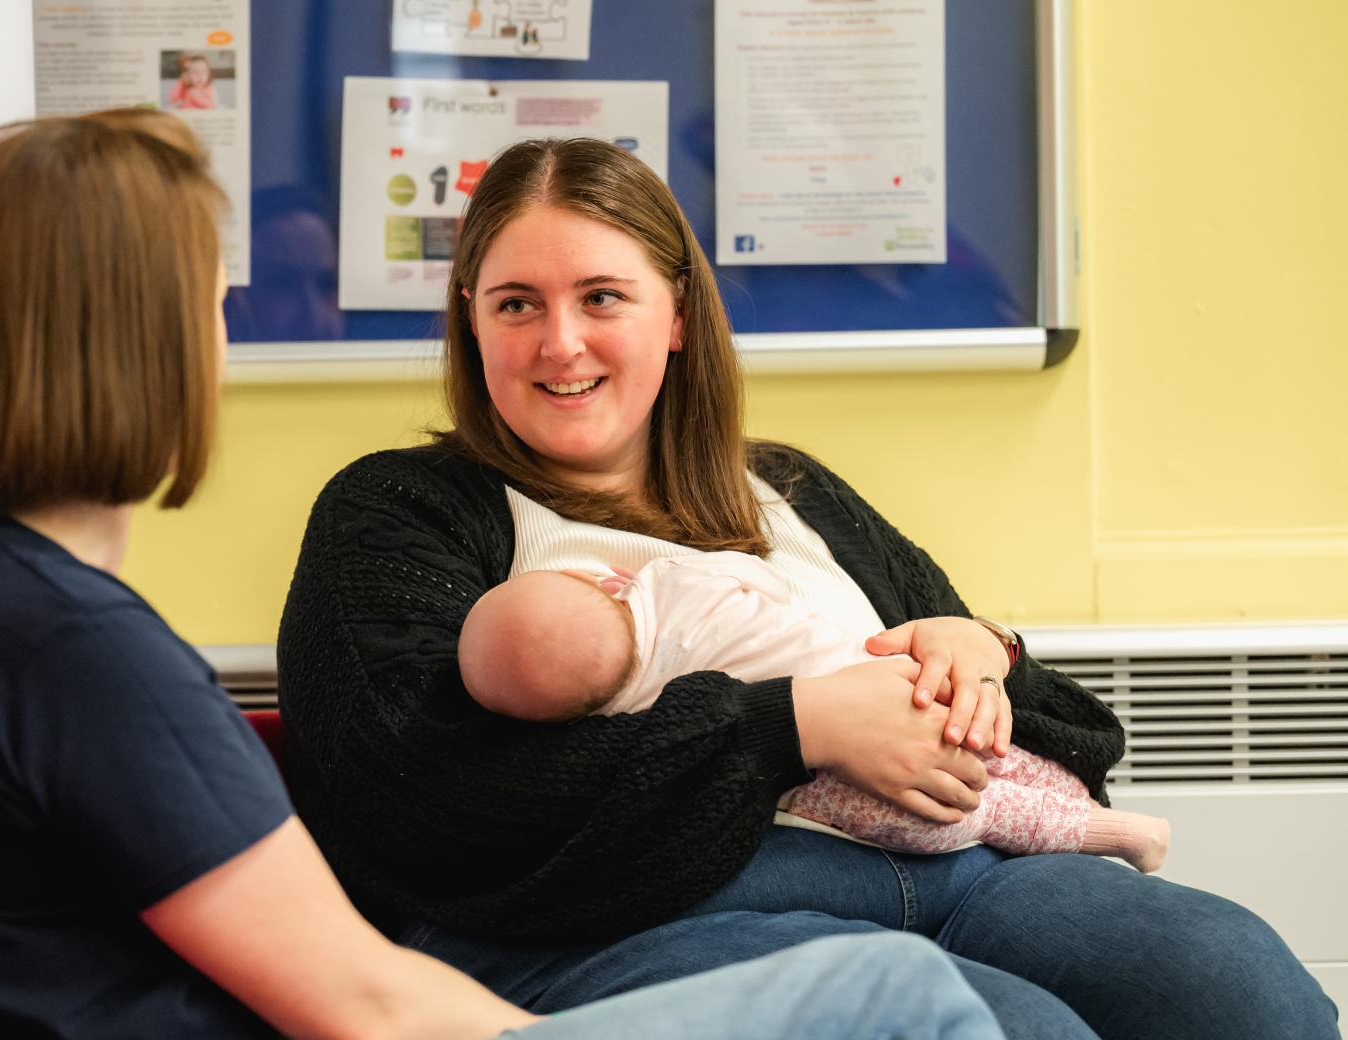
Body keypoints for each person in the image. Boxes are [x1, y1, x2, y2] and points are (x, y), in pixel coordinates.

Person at [0, 109, 1007, 1040]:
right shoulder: (70, 647)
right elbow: (369, 1004)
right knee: (899, 996)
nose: (226, 329)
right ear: (139, 346)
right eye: (208, 300)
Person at [277, 136, 1342, 1040]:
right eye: (517, 303)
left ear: (677, 313)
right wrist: (791, 726)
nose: (561, 342)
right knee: (1018, 1028)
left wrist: (985, 656)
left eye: (602, 296)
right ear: (471, 319)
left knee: (1236, 984)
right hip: (630, 914)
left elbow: (1077, 738)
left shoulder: (792, 491)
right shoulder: (400, 511)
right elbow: (416, 801)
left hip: (967, 868)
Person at [457, 558, 1172, 872]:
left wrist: (985, 641)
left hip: (850, 782)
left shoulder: (634, 707)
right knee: (990, 758)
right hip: (894, 683)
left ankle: (1102, 830)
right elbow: (762, 581)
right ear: (594, 581)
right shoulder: (675, 580)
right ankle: (1095, 817)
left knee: (972, 811)